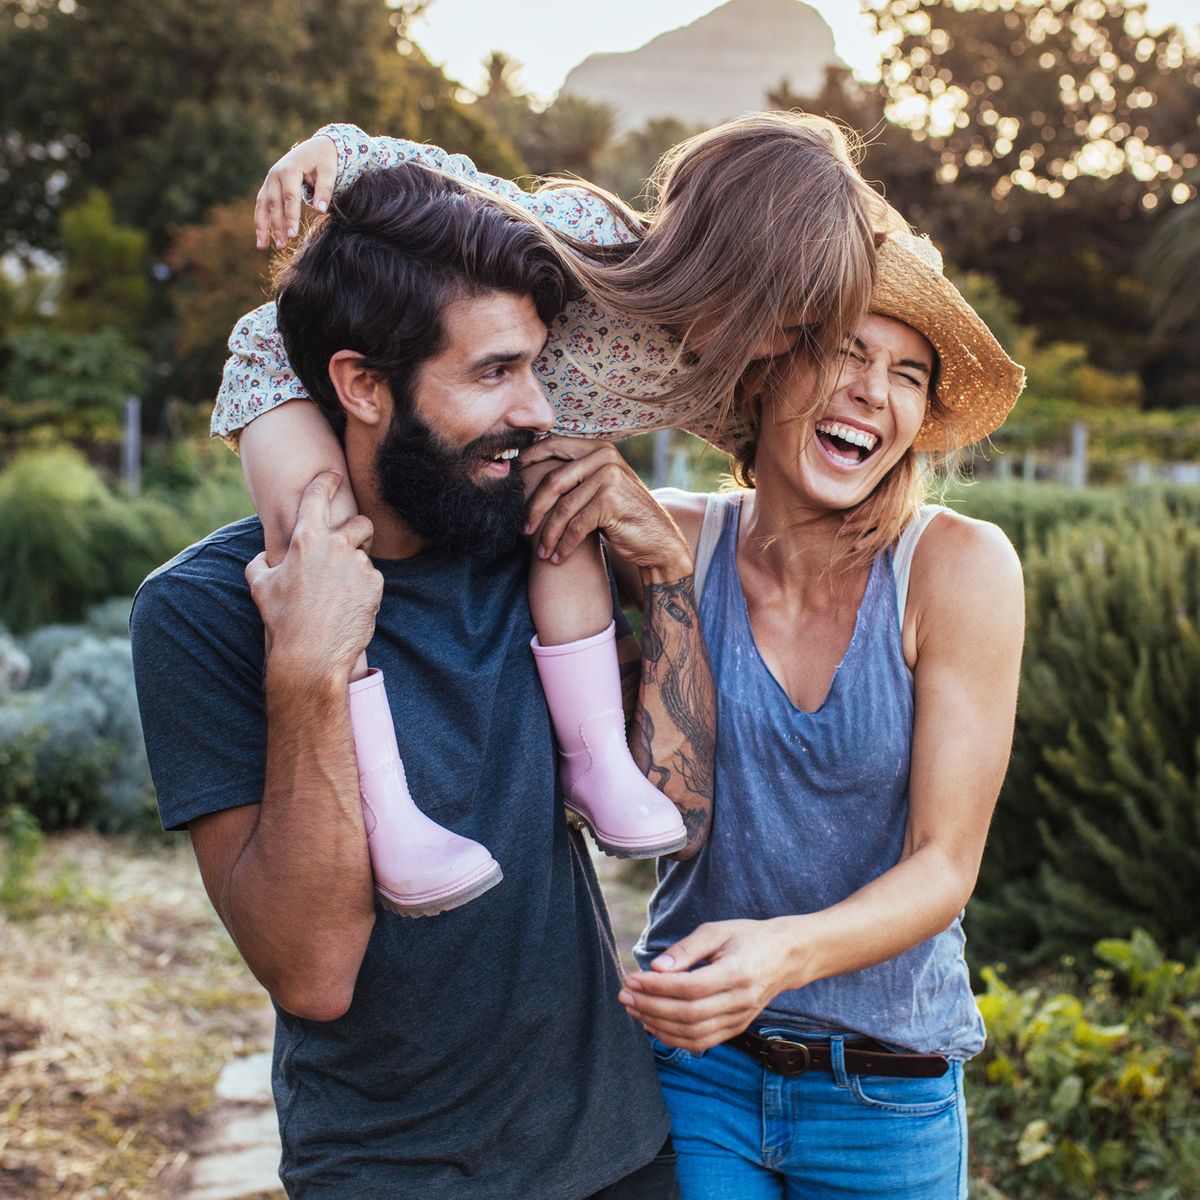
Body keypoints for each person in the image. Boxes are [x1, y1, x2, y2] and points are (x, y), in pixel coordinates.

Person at [130, 162, 716, 1198]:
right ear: (361, 384)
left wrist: (664, 571)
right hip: (387, 1173)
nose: (534, 409)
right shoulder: (204, 611)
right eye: (493, 373)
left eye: (535, 366)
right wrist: (309, 667)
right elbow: (312, 973)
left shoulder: (525, 544)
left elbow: (684, 805)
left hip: (620, 1151)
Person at [219, 112, 896, 912]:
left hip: (506, 436)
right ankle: (385, 809)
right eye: (780, 322)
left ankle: (596, 757)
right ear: (723, 269)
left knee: (568, 509)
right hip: (292, 367)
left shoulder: (718, 362)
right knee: (316, 538)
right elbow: (451, 178)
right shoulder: (588, 237)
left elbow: (786, 436)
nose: (781, 347)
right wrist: (332, 152)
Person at [613, 231, 1026, 1199]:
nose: (873, 392)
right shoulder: (668, 540)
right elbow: (538, 366)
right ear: (763, 368)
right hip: (698, 1069)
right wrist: (362, 161)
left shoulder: (956, 572)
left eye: (908, 372)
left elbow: (944, 867)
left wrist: (782, 951)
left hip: (886, 1096)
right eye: (843, 348)